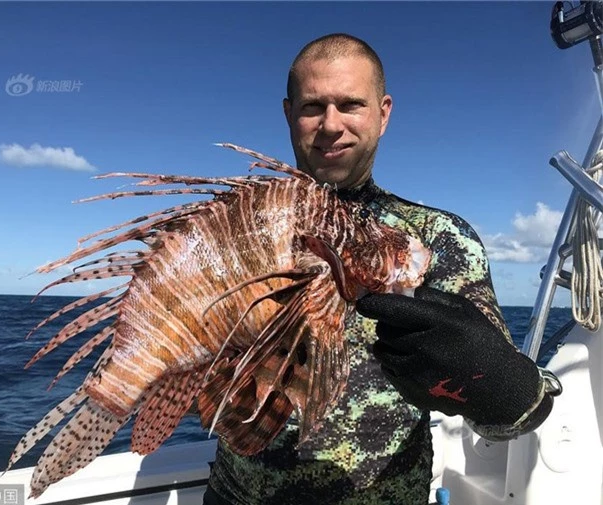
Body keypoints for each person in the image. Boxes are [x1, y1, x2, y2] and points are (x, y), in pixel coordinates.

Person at [203, 33, 561, 505]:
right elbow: (197, 377)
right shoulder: (233, 230)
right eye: (313, 107)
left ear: (383, 113)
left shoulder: (433, 237)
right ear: (289, 113)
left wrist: (503, 386)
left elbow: (505, 417)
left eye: (351, 104)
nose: (331, 125)